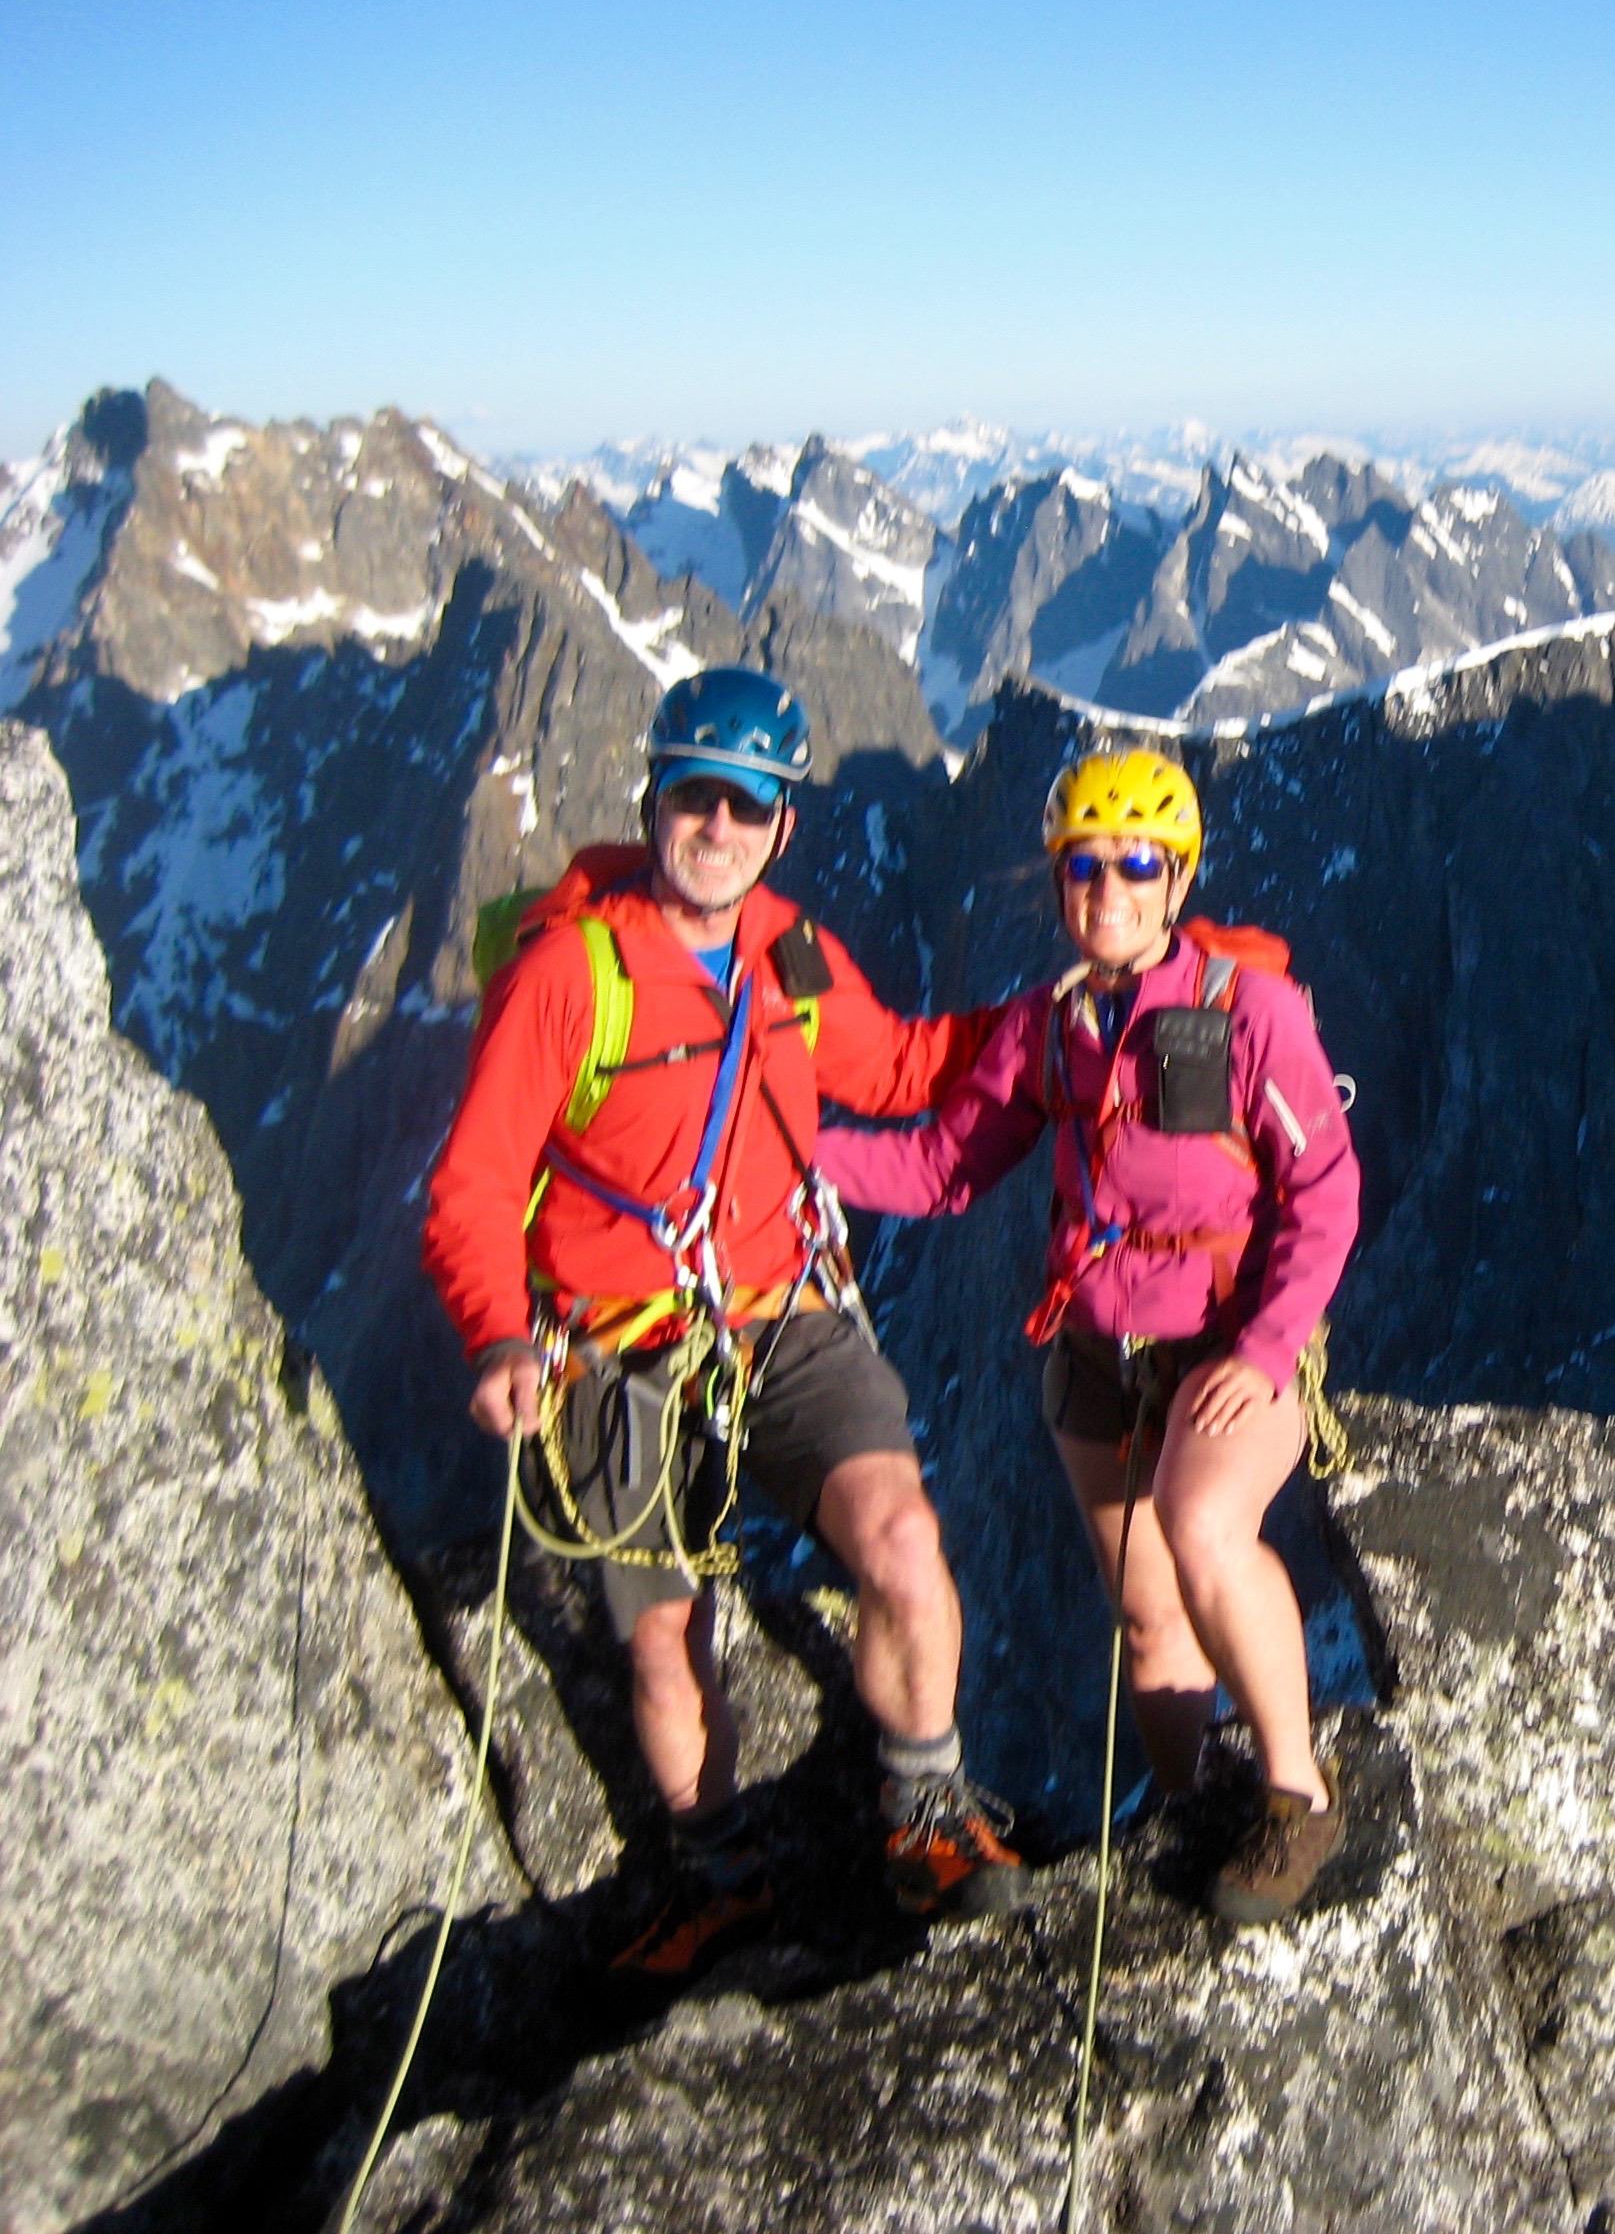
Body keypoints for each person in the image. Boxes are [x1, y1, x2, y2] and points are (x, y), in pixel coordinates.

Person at [423, 666, 1029, 1980]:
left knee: (902, 1537)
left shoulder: (792, 950)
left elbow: (896, 1066)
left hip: (785, 1315)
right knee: (662, 1630)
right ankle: (713, 1868)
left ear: (781, 826)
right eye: (695, 797)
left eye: (746, 806)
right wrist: (496, 1336)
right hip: (622, 1341)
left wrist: (1055, 1023)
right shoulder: (570, 977)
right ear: (652, 801)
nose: (717, 828)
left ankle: (925, 1805)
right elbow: (471, 1185)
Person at [818, 745, 1361, 1924]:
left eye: (1134, 866)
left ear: (1176, 880)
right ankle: (1193, 1807)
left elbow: (1326, 1195)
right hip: (1095, 1359)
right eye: (1082, 866)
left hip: (1226, 1351)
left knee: (1206, 1532)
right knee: (1151, 1614)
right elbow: (942, 1165)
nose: (1106, 891)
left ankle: (1295, 1792)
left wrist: (1265, 1351)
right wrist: (790, 1156)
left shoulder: (1247, 1013)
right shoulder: (1048, 1025)